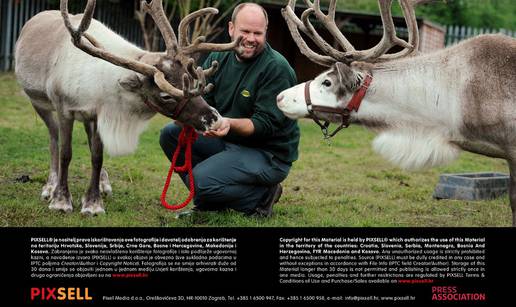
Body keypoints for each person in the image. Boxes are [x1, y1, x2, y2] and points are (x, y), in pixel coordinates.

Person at [159, 2, 299, 217]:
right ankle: (212, 200)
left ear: (266, 32)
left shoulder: (277, 68)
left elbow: (265, 124)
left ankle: (262, 197)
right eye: (245, 31)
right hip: (228, 142)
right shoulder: (217, 58)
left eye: (258, 33)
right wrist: (182, 114)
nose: (251, 38)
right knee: (171, 134)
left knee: (200, 181)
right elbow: (204, 106)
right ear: (231, 28)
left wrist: (227, 123)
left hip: (267, 154)